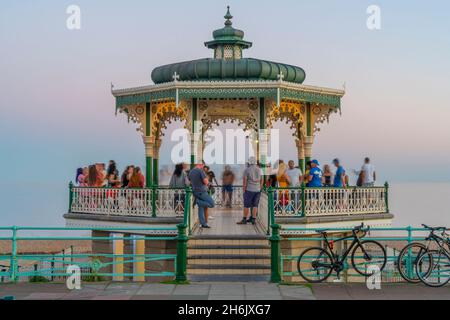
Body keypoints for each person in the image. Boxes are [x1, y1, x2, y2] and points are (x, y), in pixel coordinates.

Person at [188, 163, 215, 228]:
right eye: (203, 165)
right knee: (212, 204)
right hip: (202, 191)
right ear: (201, 165)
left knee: (201, 207)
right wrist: (209, 184)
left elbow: (189, 182)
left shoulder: (191, 172)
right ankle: (197, 202)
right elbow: (205, 181)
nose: (203, 166)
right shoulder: (200, 171)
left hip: (195, 191)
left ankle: (203, 224)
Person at [237, 157, 263, 225]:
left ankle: (244, 219)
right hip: (257, 190)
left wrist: (244, 190)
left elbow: (245, 181)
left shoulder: (247, 170)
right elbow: (262, 180)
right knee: (255, 205)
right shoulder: (260, 170)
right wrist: (260, 188)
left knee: (246, 205)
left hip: (249, 190)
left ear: (249, 162)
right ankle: (253, 219)